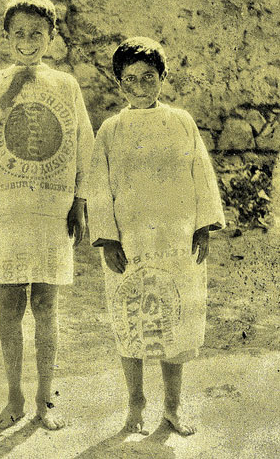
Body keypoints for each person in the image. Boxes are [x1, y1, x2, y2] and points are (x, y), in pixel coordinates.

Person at [0, 0, 94, 430]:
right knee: (10, 306)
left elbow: (83, 147)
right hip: (6, 210)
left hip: (51, 209)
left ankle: (43, 401)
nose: (28, 41)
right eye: (20, 33)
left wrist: (79, 199)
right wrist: (5, 98)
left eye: (38, 33)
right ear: (7, 36)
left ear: (52, 37)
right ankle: (13, 397)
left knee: (47, 306)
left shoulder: (66, 85)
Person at [86, 37, 224, 436]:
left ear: (162, 77)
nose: (141, 86)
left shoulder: (181, 121)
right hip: (129, 245)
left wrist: (202, 226)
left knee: (175, 321)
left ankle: (174, 407)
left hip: (176, 239)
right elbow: (98, 188)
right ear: (119, 84)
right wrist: (107, 240)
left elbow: (200, 175)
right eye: (131, 79)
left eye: (149, 77)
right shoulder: (111, 130)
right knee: (130, 323)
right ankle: (136, 404)